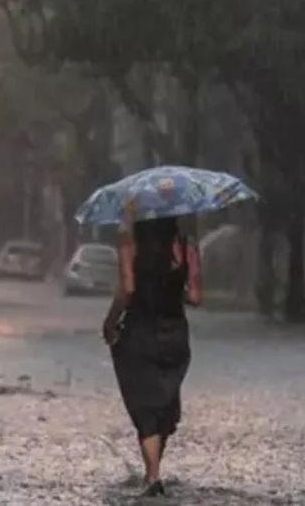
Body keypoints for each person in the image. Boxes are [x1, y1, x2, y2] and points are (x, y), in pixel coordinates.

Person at [102, 202, 203, 497]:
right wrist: (173, 289)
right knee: (164, 405)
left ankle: (152, 476)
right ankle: (155, 471)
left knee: (144, 404)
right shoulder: (186, 247)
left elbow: (128, 290)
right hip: (174, 334)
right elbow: (196, 296)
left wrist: (110, 322)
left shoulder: (129, 243)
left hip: (139, 331)